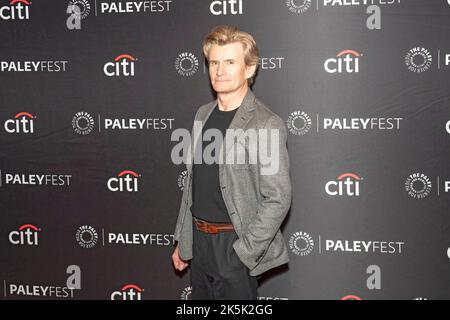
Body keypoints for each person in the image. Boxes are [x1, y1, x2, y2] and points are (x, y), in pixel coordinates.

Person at [172, 25, 292, 300]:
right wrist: (184, 241)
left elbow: (278, 197)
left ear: (249, 70)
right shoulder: (202, 115)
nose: (219, 70)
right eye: (214, 62)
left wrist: (243, 253)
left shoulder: (266, 124)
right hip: (199, 244)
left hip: (233, 246)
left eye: (229, 62)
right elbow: (193, 184)